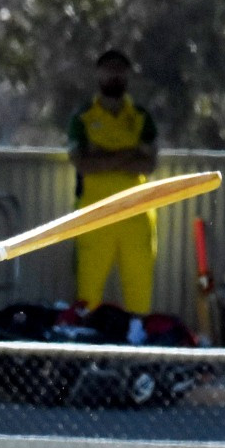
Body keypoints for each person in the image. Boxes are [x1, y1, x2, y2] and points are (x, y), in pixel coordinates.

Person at [67, 48, 159, 315]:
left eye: (120, 69)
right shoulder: (83, 117)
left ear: (128, 74)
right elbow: (82, 163)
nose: (114, 74)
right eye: (109, 69)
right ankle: (87, 348)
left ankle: (139, 347)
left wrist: (102, 156)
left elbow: (149, 163)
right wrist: (129, 155)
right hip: (94, 213)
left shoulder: (141, 117)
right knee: (88, 293)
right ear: (98, 73)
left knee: (139, 291)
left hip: (136, 213)